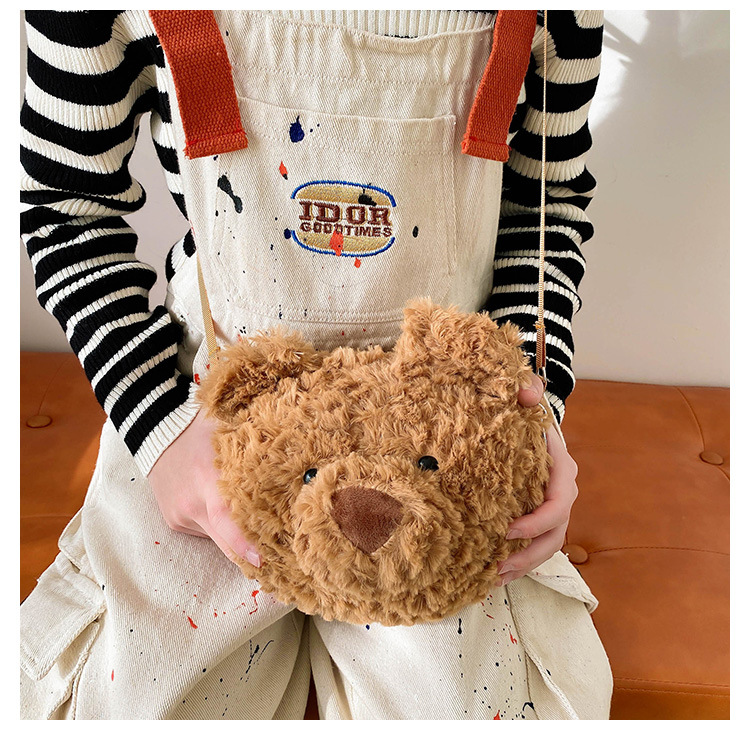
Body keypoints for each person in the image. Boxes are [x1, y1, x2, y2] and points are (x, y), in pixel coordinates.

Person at [20, 9, 612, 720]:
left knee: (472, 705)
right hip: (206, 410)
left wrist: (529, 410)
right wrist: (159, 428)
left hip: (447, 422)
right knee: (138, 699)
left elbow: (547, 205)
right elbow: (65, 207)